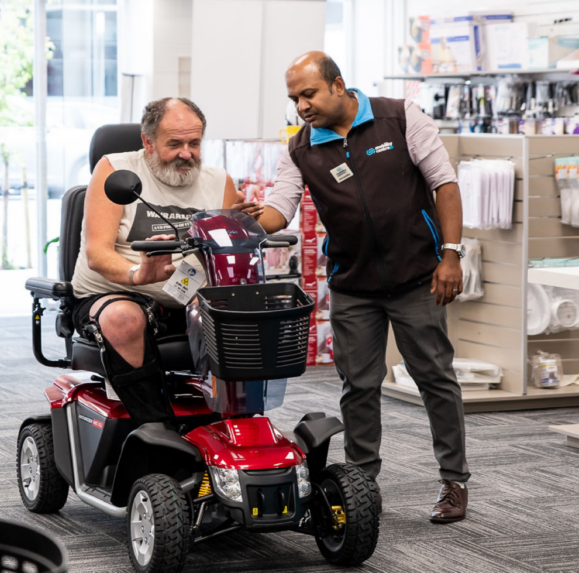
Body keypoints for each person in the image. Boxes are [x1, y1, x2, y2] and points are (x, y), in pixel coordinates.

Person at [248, 51, 469, 523]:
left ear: (337, 84)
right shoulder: (302, 147)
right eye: (294, 99)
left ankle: (454, 480)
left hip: (417, 277)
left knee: (435, 379)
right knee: (359, 386)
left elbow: (444, 184)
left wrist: (451, 254)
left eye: (308, 94)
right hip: (353, 284)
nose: (301, 106)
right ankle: (362, 484)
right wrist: (242, 220)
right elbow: (279, 209)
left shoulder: (400, 115)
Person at [71, 97, 242, 426]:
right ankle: (157, 434)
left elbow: (224, 254)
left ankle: (233, 428)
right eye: (174, 144)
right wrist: (138, 274)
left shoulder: (220, 182)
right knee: (125, 318)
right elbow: (98, 253)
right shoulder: (115, 171)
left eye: (194, 143)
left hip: (186, 294)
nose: (186, 153)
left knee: (240, 312)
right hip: (113, 293)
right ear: (147, 142)